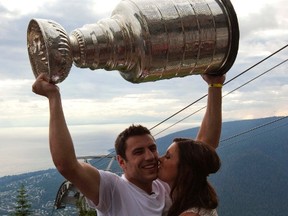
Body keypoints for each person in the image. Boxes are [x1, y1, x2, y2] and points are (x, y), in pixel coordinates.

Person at [32, 73, 225, 216]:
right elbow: (67, 164)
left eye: (152, 148)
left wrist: (215, 85)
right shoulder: (112, 189)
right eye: (138, 152)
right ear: (122, 162)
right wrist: (53, 97)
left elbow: (203, 148)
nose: (150, 156)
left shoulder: (165, 185)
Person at [158, 138, 220, 216]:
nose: (160, 159)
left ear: (185, 169)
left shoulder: (190, 214)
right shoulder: (200, 202)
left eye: (168, 157)